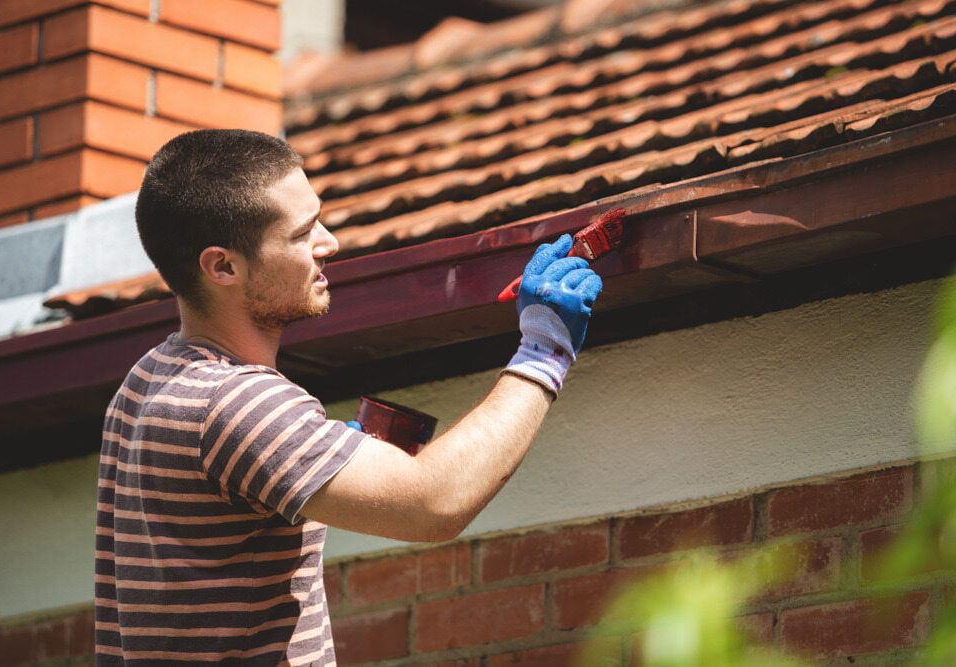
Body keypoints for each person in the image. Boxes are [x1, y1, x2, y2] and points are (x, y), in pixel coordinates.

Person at [95, 129, 603, 665]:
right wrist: (544, 350)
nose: (330, 243)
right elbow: (435, 505)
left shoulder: (147, 381)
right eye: (302, 233)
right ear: (223, 267)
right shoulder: (237, 403)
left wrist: (311, 454)